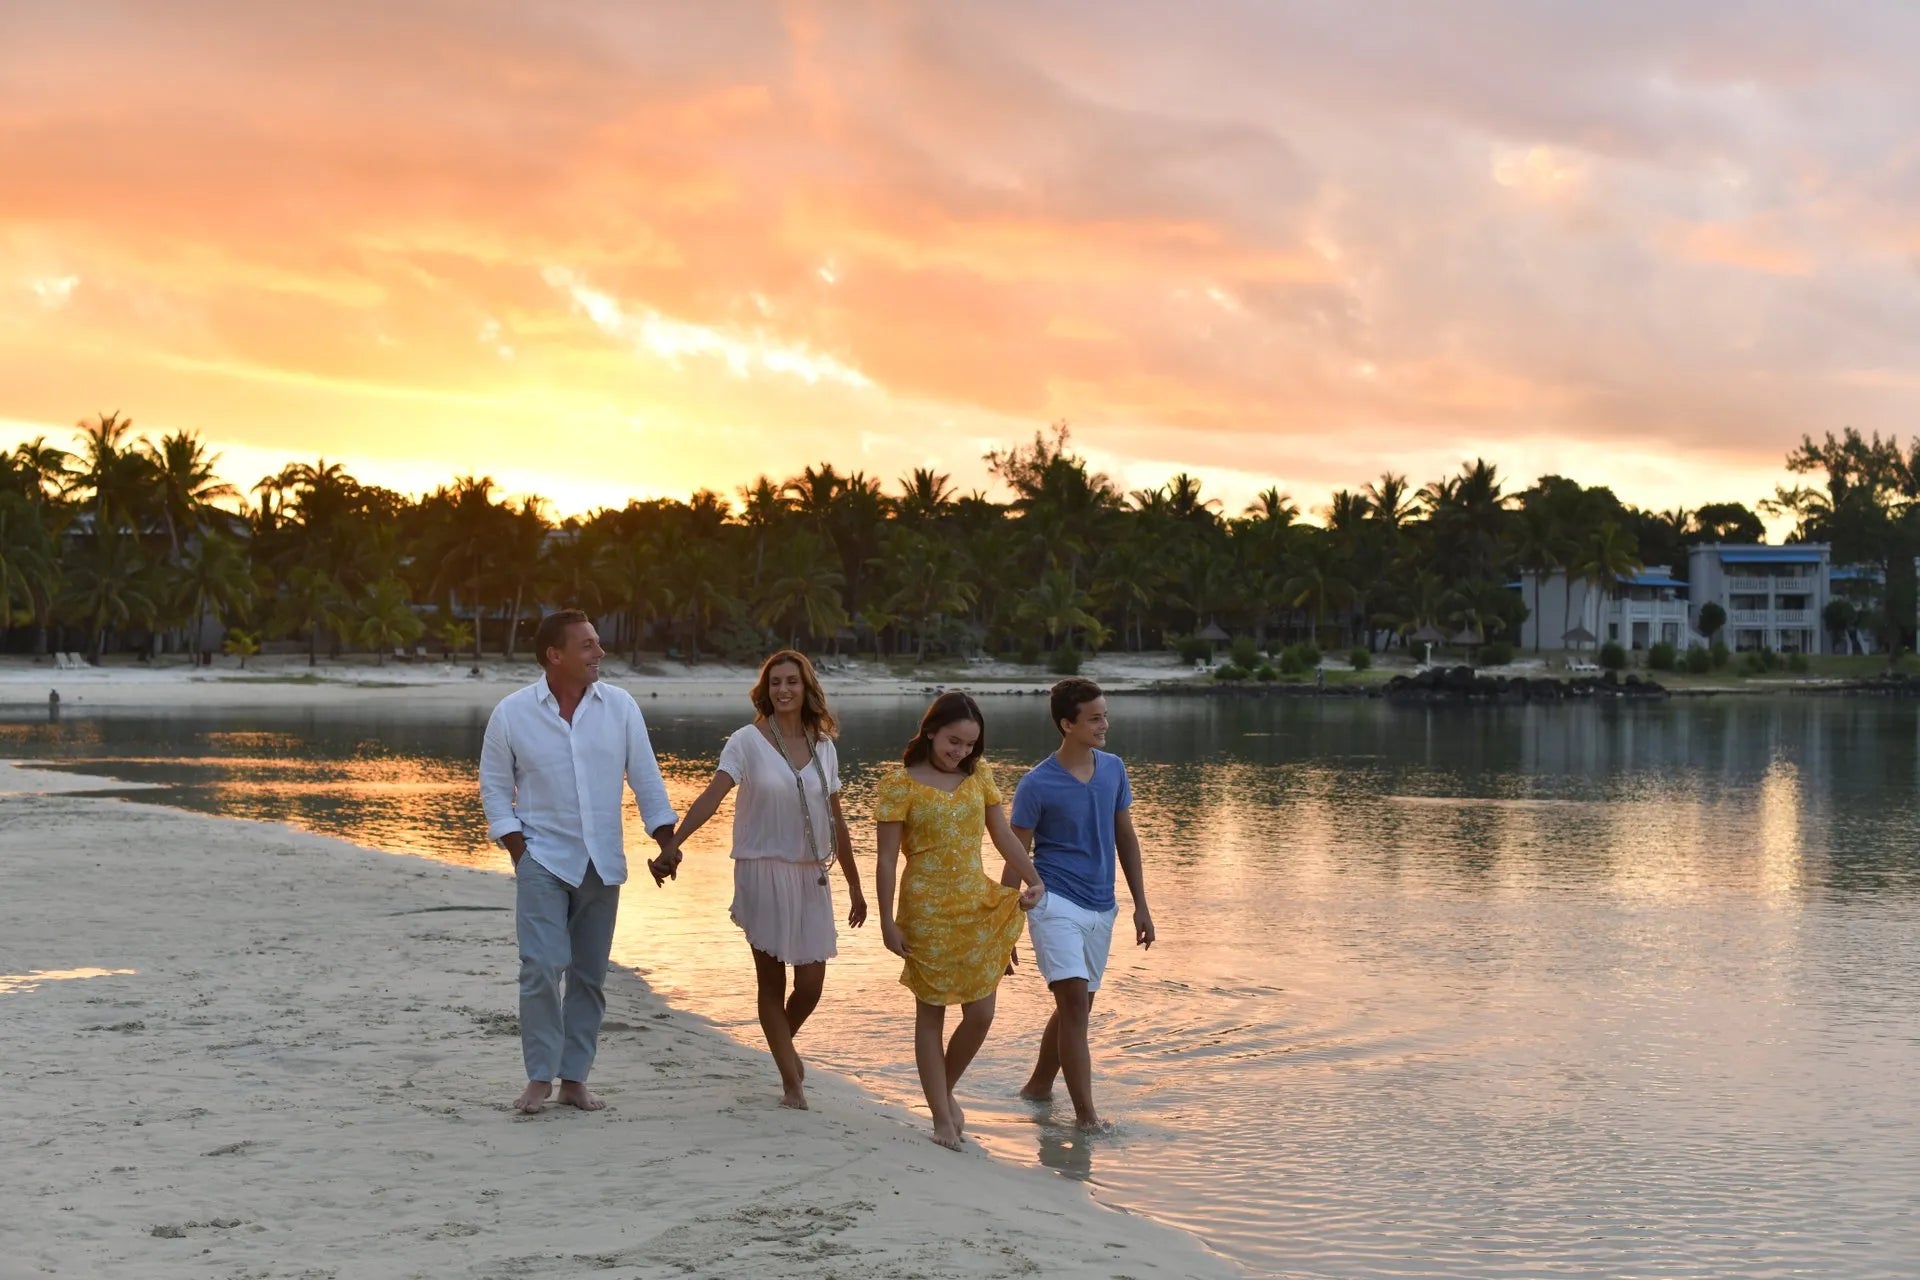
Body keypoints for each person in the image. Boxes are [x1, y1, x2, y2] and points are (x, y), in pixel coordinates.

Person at [479, 609, 677, 1116]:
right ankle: (539, 1077)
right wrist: (520, 852)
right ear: (555, 655)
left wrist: (666, 838)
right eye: (588, 645)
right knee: (541, 967)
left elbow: (646, 779)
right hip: (542, 857)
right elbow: (496, 792)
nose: (600, 652)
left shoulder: (621, 707)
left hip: (602, 863)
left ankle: (574, 1079)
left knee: (589, 976)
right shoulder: (512, 713)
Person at [650, 650, 867, 1110]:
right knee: (771, 983)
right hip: (761, 868)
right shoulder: (746, 741)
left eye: (792, 682)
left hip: (812, 876)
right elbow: (712, 795)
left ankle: (781, 1048)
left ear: (807, 688)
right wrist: (673, 843)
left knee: (810, 986)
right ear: (765, 691)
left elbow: (838, 820)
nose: (783, 690)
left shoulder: (824, 746)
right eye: (775, 683)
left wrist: (855, 884)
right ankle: (792, 1085)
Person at [873, 692, 1046, 1150]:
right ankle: (941, 1118)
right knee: (931, 1013)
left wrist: (1033, 878)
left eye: (969, 745)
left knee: (981, 1013)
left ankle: (942, 1093)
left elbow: (1003, 834)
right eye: (953, 741)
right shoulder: (899, 784)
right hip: (925, 908)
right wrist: (887, 920)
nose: (961, 752)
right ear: (931, 730)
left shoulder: (980, 775)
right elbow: (887, 860)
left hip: (974, 903)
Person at [1003, 677, 1155, 1130]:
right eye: (1094, 718)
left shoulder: (1113, 769)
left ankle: (1037, 1086)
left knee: (1079, 1006)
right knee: (1072, 1004)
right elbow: (1015, 850)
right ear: (1067, 724)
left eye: (1105, 715)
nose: (1104, 724)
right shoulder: (1037, 783)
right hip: (1054, 903)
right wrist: (1003, 920)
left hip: (1101, 906)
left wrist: (1141, 904)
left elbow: (1125, 837)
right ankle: (1086, 1117)